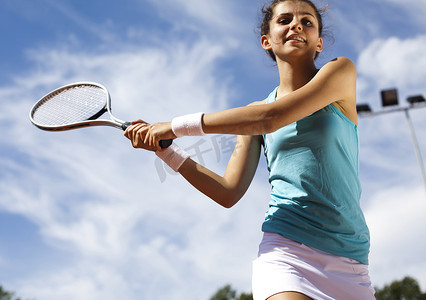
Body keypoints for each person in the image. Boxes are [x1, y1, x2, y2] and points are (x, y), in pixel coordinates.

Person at [124, 0, 376, 299]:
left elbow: (271, 118)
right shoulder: (254, 111)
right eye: (284, 20)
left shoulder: (340, 72)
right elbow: (228, 191)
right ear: (266, 41)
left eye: (307, 22)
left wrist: (175, 126)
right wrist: (167, 151)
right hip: (287, 251)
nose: (296, 25)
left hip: (351, 261)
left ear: (319, 42)